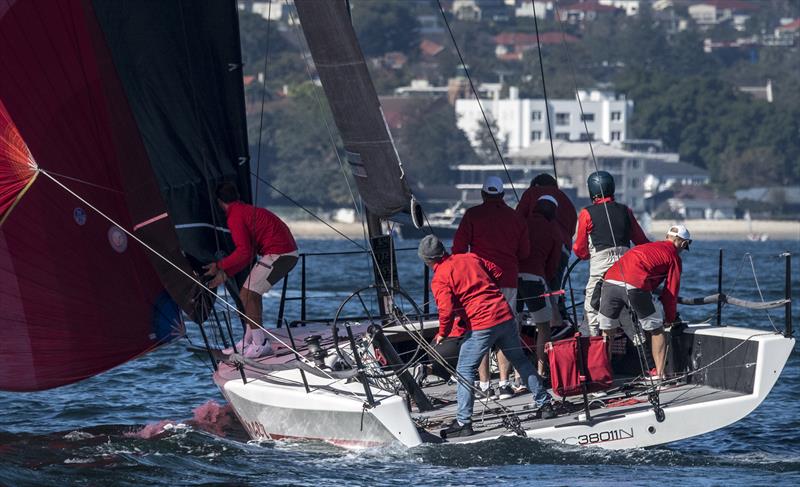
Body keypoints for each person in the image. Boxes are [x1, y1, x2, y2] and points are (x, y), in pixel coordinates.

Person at [418, 235, 553, 438]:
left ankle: (464, 423)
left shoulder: (440, 277)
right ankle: (545, 405)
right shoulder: (471, 257)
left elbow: (445, 311)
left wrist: (443, 334)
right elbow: (497, 272)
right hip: (504, 314)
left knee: (464, 370)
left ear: (428, 261)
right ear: (443, 251)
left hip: (482, 324)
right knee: (520, 361)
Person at [452, 176, 529, 400]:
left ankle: (485, 386)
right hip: (508, 279)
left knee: (480, 328)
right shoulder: (515, 218)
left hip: (479, 280)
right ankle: (505, 383)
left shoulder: (472, 215)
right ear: (502, 195)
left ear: (483, 194)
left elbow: (458, 249)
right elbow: (524, 252)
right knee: (507, 330)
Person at [203, 182, 299, 358]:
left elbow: (244, 252)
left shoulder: (235, 216)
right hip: (283, 252)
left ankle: (260, 344)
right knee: (248, 294)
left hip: (281, 254)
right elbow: (247, 254)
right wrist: (225, 274)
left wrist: (218, 266)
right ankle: (248, 342)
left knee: (248, 294)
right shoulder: (244, 211)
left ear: (219, 202)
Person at [597, 225, 690, 378]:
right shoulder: (674, 257)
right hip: (635, 286)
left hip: (609, 282)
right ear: (683, 243)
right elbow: (670, 293)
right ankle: (659, 375)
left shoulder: (646, 246)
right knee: (656, 329)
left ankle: (603, 376)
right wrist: (670, 318)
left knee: (607, 331)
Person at [573, 171, 649, 336]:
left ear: (591, 191)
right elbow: (642, 242)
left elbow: (579, 249)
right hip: (627, 264)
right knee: (625, 309)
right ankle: (641, 349)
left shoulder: (586, 213)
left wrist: (586, 256)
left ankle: (592, 350)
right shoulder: (626, 211)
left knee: (591, 309)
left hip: (601, 264)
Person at [516, 173, 578, 311]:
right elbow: (571, 230)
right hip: (562, 247)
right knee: (553, 287)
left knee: (521, 283)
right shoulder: (566, 199)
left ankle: (517, 321)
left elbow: (517, 220)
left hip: (535, 247)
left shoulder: (532, 192)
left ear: (535, 185)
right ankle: (554, 320)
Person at [517, 195, 563, 376]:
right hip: (534, 279)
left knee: (514, 326)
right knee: (544, 326)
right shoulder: (554, 230)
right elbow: (553, 266)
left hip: (512, 278)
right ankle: (541, 371)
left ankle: (513, 376)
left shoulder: (521, 222)